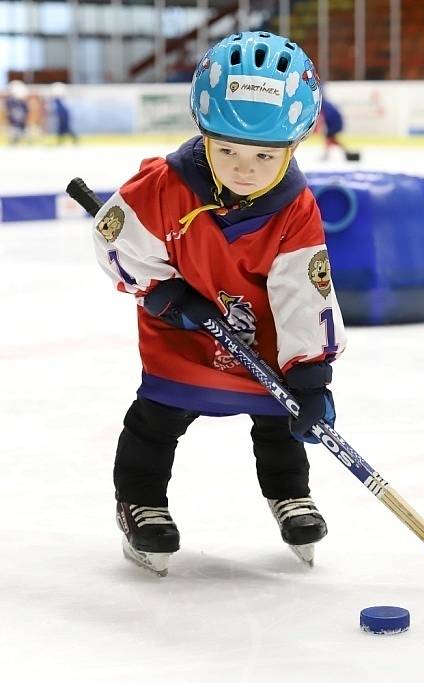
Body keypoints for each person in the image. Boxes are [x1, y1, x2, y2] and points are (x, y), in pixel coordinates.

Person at [93, 31, 346, 575]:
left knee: (281, 417)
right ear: (203, 133)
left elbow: (306, 289)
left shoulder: (296, 209)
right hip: (179, 331)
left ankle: (290, 493)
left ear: (295, 145)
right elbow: (114, 239)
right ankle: (141, 500)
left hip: (263, 334)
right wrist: (159, 288)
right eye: (227, 149)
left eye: (262, 154)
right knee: (156, 417)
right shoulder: (163, 185)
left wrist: (310, 370)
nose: (244, 168)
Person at [319, 94, 361, 162]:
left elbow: (327, 116)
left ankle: (327, 154)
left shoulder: (322, 105)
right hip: (337, 123)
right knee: (331, 139)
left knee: (329, 138)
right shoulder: (327, 103)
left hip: (334, 123)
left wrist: (326, 126)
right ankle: (346, 152)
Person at [5, 80, 29, 145]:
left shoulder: (22, 102)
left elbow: (26, 110)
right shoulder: (10, 101)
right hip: (14, 122)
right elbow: (9, 111)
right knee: (14, 133)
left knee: (22, 134)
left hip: (20, 122)